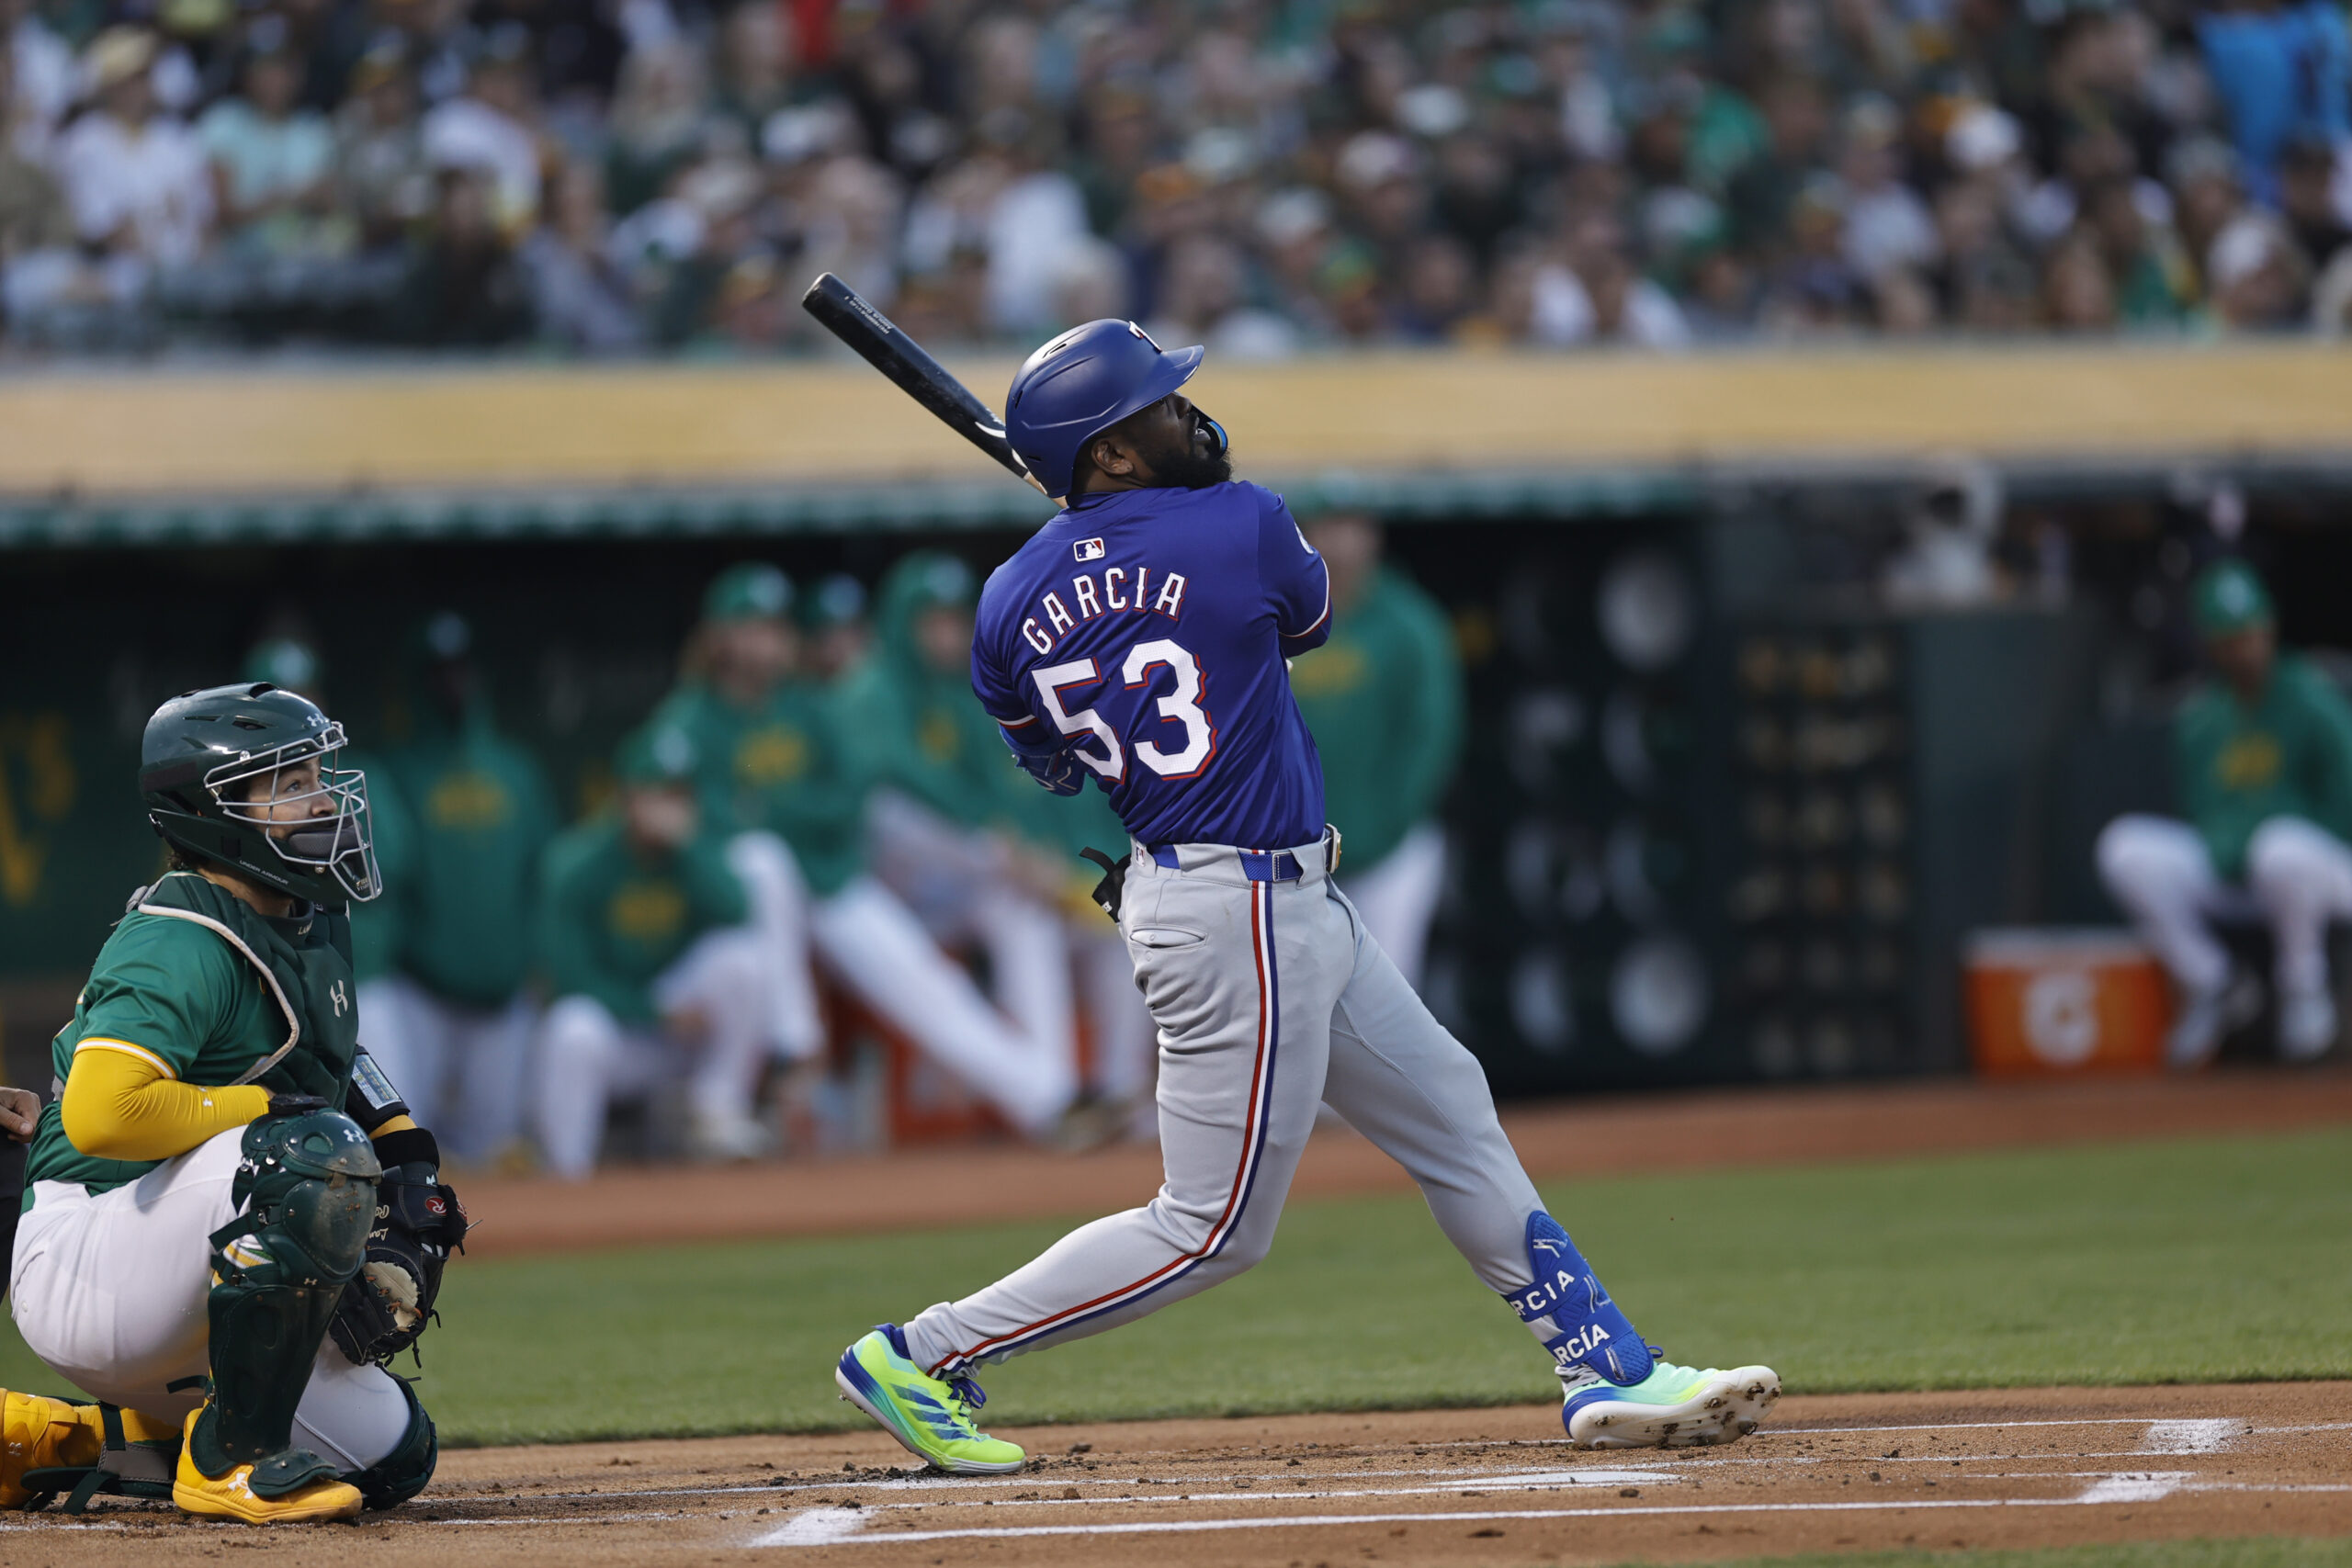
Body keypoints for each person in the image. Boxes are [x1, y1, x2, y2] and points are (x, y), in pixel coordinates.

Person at [831, 320, 1779, 1474]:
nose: (1188, 415)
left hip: (1254, 895)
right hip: (1238, 913)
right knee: (1212, 1228)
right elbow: (1309, 617)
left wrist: (1096, 565)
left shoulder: (1004, 599)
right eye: (1158, 408)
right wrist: (1162, 546)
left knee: (1449, 1106)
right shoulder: (1241, 521)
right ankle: (921, 1353)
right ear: (1109, 452)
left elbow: (1051, 765)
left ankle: (1606, 1364)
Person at [8, 682, 457, 1521]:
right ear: (210, 813)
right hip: (88, 1257)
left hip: (174, 1248)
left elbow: (320, 1055)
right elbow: (103, 1114)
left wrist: (405, 1154)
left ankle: (85, 1435)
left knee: (396, 1456)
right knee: (309, 1151)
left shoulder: (298, 914)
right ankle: (229, 1460)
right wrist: (265, 1114)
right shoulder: (179, 935)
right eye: (290, 783)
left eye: (317, 774)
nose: (322, 799)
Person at [656, 564, 1081, 1141]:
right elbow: (702, 825)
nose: (767, 642)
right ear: (721, 636)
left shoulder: (806, 708)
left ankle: (1051, 1101)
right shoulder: (688, 722)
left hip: (828, 879)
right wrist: (778, 814)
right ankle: (791, 1042)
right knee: (761, 860)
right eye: (752, 627)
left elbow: (849, 800)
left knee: (926, 984)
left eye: (775, 628)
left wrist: (767, 806)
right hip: (735, 913)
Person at [853, 552, 1083, 1111]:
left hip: (950, 882)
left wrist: (1023, 852)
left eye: (954, 620)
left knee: (1023, 910)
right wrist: (1001, 850)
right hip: (877, 887)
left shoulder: (966, 693)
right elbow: (905, 778)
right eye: (931, 621)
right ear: (902, 622)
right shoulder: (870, 689)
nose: (946, 635)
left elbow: (1001, 788)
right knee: (893, 810)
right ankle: (1050, 1095)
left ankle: (1060, 1097)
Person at [2098, 559, 2352, 1066]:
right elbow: (2201, 810)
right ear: (2211, 646)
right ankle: (2213, 982)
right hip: (2240, 870)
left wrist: (2259, 837)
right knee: (2124, 848)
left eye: (2252, 634)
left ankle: (2304, 990)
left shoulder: (2312, 699)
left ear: (2270, 628)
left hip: (2324, 868)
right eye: (2232, 639)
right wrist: (2235, 847)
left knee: (2279, 848)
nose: (2246, 649)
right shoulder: (2201, 720)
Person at [535, 724, 780, 1176]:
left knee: (743, 960)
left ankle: (717, 1110)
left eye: (680, 793)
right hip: (624, 1030)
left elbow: (737, 908)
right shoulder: (578, 864)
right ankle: (566, 1173)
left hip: (682, 1028)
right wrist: (655, 1012)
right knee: (572, 1028)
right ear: (627, 797)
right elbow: (570, 981)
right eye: (658, 792)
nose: (670, 806)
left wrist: (687, 847)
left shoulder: (692, 855)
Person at [363, 613, 554, 1166]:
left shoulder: (517, 770)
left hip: (503, 998)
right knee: (403, 1145)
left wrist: (536, 966)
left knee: (496, 1150)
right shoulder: (397, 771)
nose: (452, 683)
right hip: (419, 995)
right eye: (437, 671)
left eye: (461, 669)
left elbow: (542, 878)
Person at [1287, 512, 1464, 992]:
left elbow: (1430, 739)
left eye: (1354, 528)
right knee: (1295, 1002)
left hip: (1390, 853)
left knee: (1386, 997)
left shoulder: (1409, 624)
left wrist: (1380, 829)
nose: (1341, 545)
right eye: (1328, 527)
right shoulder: (1271, 614)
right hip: (1290, 854)